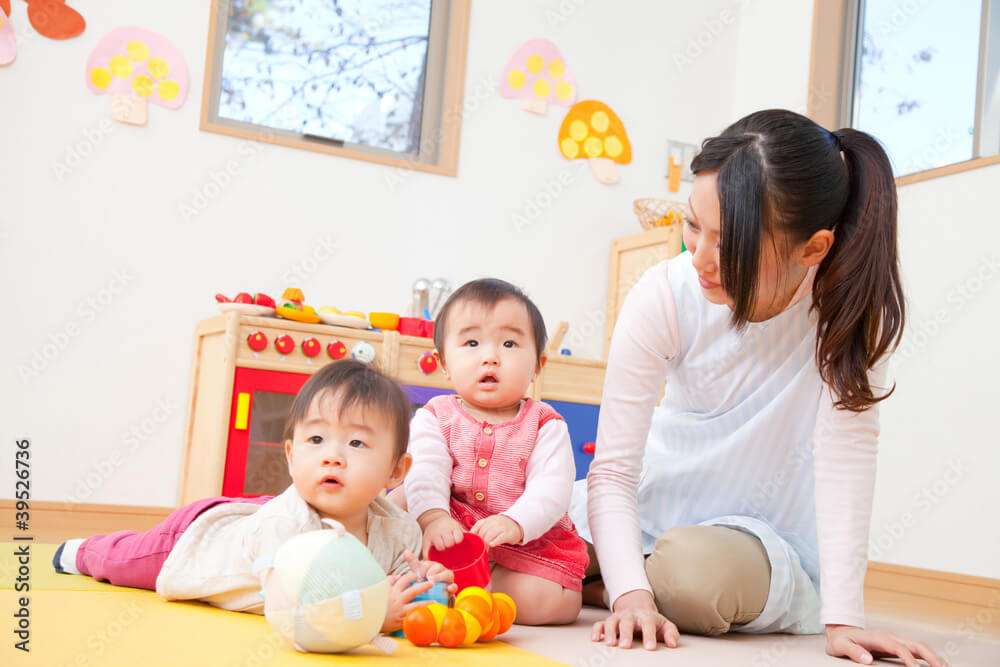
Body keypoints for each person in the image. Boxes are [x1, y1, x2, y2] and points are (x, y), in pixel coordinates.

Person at [571, 109, 943, 666]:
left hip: (755, 545)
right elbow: (617, 469)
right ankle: (611, 580)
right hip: (654, 499)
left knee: (693, 576)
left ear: (813, 249)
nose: (698, 259)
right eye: (693, 227)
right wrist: (630, 597)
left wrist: (844, 620)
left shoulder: (846, 316)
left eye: (730, 245)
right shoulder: (665, 293)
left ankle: (600, 583)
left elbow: (846, 459)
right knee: (528, 533)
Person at [53, 360, 454, 633]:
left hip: (257, 514)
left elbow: (395, 582)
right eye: (315, 438)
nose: (332, 455)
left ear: (395, 471)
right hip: (201, 540)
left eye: (356, 442)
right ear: (291, 455)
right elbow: (290, 612)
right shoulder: (283, 529)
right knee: (127, 560)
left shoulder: (400, 529)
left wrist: (424, 582)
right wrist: (371, 616)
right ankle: (80, 550)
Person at [402, 278, 587, 625]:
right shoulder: (434, 417)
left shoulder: (545, 424)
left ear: (537, 365)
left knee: (553, 604)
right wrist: (433, 518)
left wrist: (516, 522)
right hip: (450, 533)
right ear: (444, 363)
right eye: (471, 342)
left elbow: (552, 490)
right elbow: (426, 471)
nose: (490, 357)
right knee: (400, 494)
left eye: (509, 343)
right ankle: (439, 578)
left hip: (527, 544)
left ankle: (469, 589)